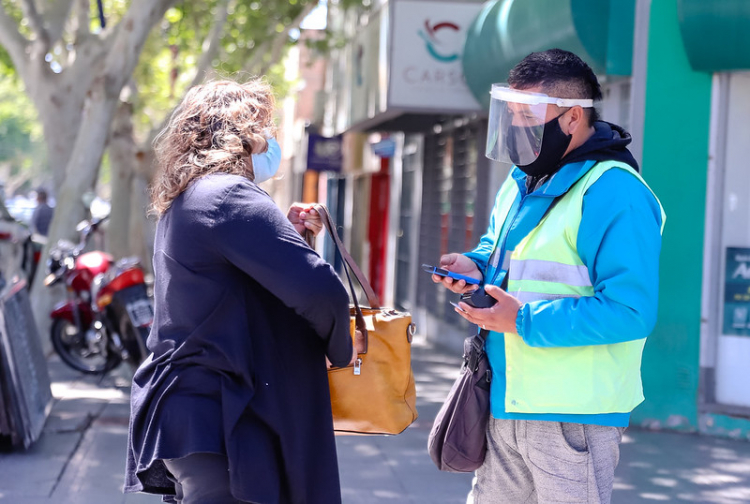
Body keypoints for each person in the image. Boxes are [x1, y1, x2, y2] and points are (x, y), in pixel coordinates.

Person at [433, 49, 666, 504]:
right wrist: (473, 267)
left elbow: (631, 311)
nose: (517, 125)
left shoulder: (614, 191)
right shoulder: (522, 181)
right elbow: (501, 255)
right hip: (505, 399)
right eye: (513, 113)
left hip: (573, 414)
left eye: (528, 114)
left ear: (573, 117)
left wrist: (521, 321)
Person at [124, 79, 356, 504]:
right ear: (240, 133)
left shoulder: (192, 195)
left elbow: (238, 288)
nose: (270, 142)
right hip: (221, 416)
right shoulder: (228, 195)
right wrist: (345, 350)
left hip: (196, 413)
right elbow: (322, 291)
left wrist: (286, 237)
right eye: (263, 128)